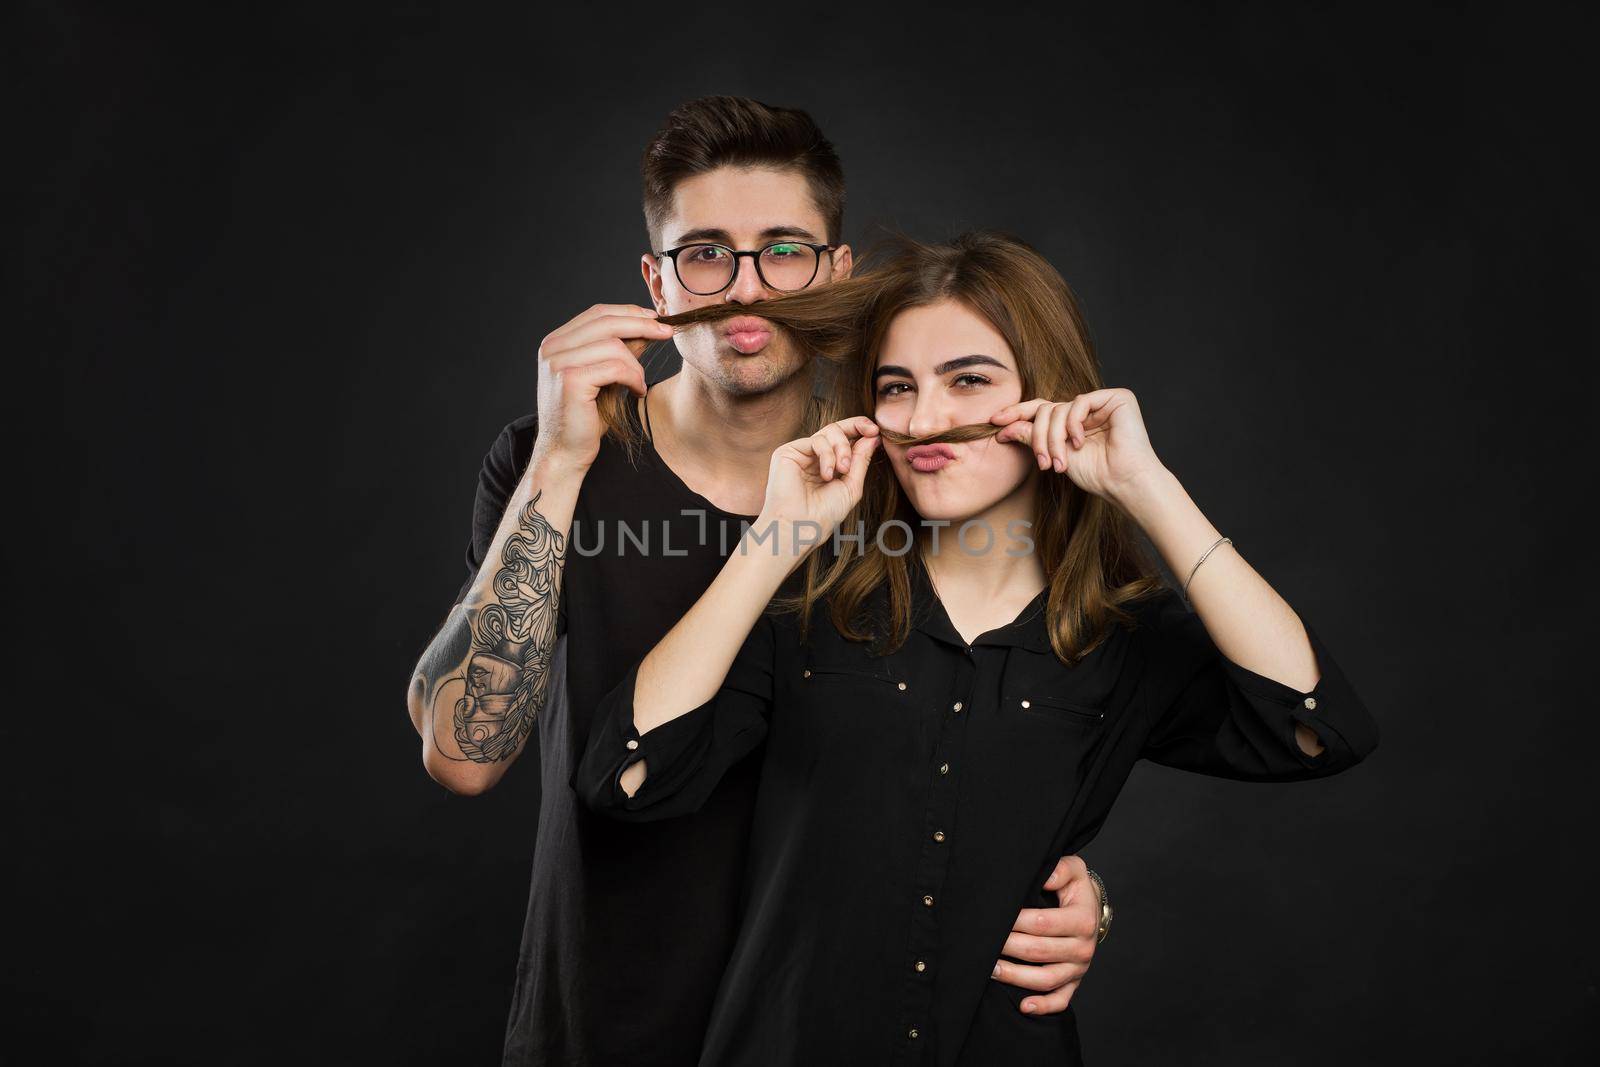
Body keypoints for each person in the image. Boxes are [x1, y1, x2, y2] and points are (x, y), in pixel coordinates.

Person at [405, 97, 1106, 1067]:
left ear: (836, 272)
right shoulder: (550, 462)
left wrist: (1074, 888)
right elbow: (462, 754)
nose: (745, 289)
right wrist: (560, 462)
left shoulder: (907, 473)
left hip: (829, 1026)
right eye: (704, 252)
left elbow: (1001, 722)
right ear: (654, 278)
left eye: (782, 249)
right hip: (606, 1013)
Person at [573, 230, 1380, 1064]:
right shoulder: (804, 605)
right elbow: (625, 774)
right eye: (897, 387)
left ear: (1047, 394)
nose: (926, 421)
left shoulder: (1121, 636)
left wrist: (1149, 488)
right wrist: (775, 539)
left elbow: (1317, 728)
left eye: (968, 380)